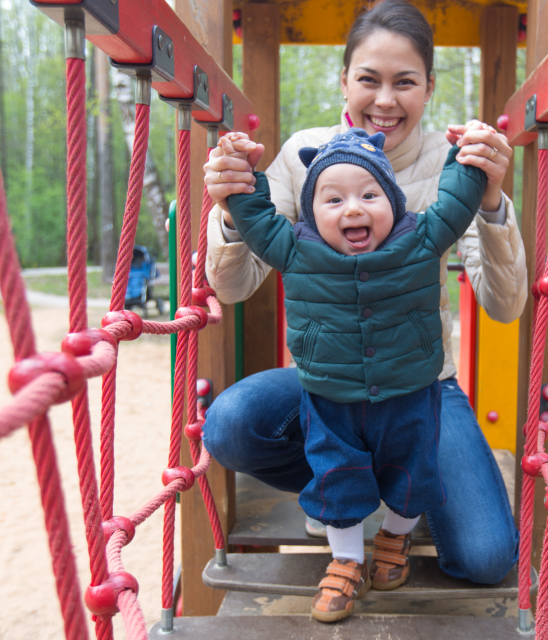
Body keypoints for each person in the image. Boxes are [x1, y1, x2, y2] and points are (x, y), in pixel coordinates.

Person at [202, 0, 527, 606]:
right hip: (328, 381)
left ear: (429, 86)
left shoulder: (452, 163)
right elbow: (233, 287)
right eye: (369, 79)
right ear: (344, 80)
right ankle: (340, 487)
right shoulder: (305, 157)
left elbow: (505, 306)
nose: (385, 100)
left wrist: (491, 201)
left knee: (485, 557)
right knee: (228, 424)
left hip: (423, 383)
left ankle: (398, 485)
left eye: (405, 82)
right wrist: (227, 210)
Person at [222, 126, 485, 620]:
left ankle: (393, 539)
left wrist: (466, 158)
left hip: (409, 392)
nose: (354, 209)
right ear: (310, 211)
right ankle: (345, 559)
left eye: (370, 194)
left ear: (394, 201)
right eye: (333, 199)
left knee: (413, 473)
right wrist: (242, 180)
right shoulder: (296, 248)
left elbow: (457, 202)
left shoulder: (422, 238)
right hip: (330, 397)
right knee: (336, 476)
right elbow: (256, 221)